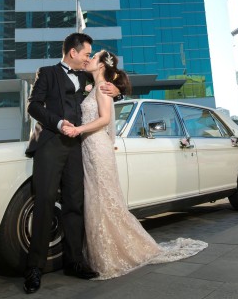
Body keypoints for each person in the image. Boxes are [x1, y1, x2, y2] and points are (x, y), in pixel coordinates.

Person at [62, 50, 208, 280]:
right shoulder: (92, 86)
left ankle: (111, 253)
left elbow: (104, 119)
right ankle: (102, 251)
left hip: (97, 147)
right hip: (88, 148)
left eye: (94, 57)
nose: (89, 59)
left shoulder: (103, 88)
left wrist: (79, 129)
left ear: (101, 66)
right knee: (96, 199)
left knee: (104, 198)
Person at [23, 33, 120, 294]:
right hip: (50, 144)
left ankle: (74, 261)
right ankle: (34, 267)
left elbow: (105, 88)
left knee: (74, 204)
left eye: (91, 55)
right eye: (86, 53)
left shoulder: (87, 77)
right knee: (44, 201)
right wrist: (57, 123)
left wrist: (117, 91)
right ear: (73, 53)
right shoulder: (46, 72)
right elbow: (33, 106)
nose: (88, 58)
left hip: (77, 147)